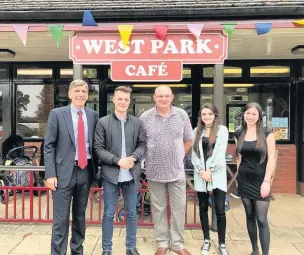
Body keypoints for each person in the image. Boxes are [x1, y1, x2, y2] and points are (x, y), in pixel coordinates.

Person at [44, 79, 99, 255]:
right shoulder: (57, 114)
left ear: (87, 95)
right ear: (69, 94)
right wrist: (50, 174)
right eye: (77, 91)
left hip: (85, 171)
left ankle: (77, 251)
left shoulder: (93, 115)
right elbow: (49, 146)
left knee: (80, 217)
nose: (81, 94)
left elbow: (96, 145)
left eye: (84, 91)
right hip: (62, 173)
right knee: (60, 220)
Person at [140, 85, 194, 255]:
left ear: (172, 97)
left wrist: (179, 156)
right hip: (154, 172)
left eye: (166, 96)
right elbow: (141, 143)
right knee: (158, 208)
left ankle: (178, 244)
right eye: (160, 96)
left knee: (179, 209)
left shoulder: (181, 115)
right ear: (154, 97)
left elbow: (189, 139)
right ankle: (162, 243)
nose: (163, 99)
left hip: (176, 172)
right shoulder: (145, 117)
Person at [94, 86, 146, 255]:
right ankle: (106, 249)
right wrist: (118, 161)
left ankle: (131, 247)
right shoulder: (103, 122)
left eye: (126, 99)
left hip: (131, 175)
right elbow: (98, 149)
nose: (123, 102)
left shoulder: (137, 123)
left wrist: (135, 158)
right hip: (111, 175)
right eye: (120, 98)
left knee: (131, 213)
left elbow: (142, 144)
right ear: (114, 100)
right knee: (108, 214)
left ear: (129, 101)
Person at [234, 102, 276, 255]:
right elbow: (239, 157)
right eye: (248, 113)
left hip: (261, 181)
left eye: (254, 114)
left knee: (262, 219)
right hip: (244, 180)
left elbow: (271, 158)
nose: (250, 116)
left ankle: (265, 253)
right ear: (243, 114)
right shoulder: (239, 133)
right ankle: (255, 250)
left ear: (259, 116)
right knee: (249, 216)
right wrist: (239, 177)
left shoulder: (267, 133)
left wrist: (267, 182)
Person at [191, 103, 229, 255]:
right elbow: (194, 154)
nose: (206, 117)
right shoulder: (196, 131)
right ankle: (206, 240)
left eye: (210, 114)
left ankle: (222, 243)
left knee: (220, 210)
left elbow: (220, 154)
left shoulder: (222, 130)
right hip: (201, 175)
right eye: (204, 114)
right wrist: (201, 170)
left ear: (215, 115)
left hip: (217, 174)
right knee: (202, 209)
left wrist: (210, 171)